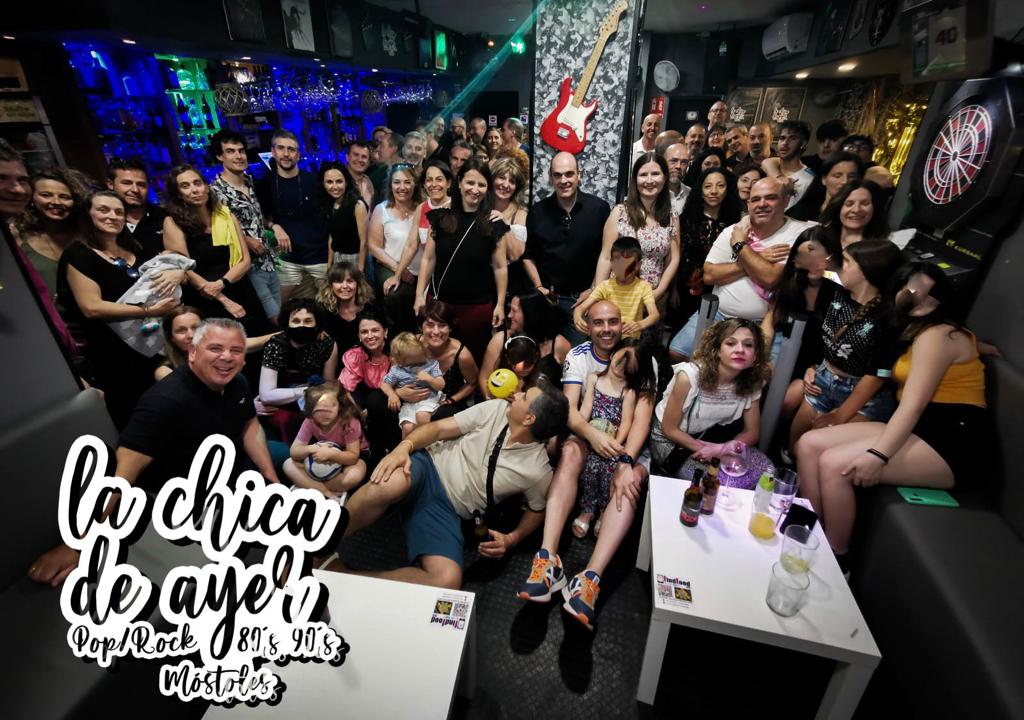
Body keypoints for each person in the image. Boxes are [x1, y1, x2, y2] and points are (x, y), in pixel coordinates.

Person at [28, 318, 281, 587]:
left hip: (231, 481)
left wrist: (271, 477)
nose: (227, 357)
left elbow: (250, 425)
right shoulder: (164, 402)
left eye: (236, 351)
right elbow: (122, 473)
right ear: (193, 352)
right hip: (184, 502)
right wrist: (78, 542)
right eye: (215, 348)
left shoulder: (238, 383)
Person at [794, 262, 990, 563]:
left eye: (929, 293)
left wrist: (878, 456)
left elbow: (913, 404)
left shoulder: (938, 335)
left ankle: (836, 559)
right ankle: (808, 534)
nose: (918, 297)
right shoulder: (914, 329)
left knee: (835, 465)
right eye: (912, 289)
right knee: (808, 443)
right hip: (919, 427)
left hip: (952, 438)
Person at [337, 381, 568, 589]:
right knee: (390, 483)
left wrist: (511, 539)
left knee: (448, 580)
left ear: (529, 419)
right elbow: (438, 429)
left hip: (447, 510)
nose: (516, 395)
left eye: (524, 397)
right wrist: (402, 449)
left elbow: (537, 509)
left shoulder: (538, 471)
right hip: (427, 468)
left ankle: (342, 577)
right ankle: (327, 540)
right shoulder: (496, 408)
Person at [517, 301, 654, 629]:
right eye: (599, 322)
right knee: (570, 453)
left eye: (613, 322)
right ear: (587, 326)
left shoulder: (640, 356)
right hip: (590, 430)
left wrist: (625, 459)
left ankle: (590, 578)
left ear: (622, 324)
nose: (607, 329)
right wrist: (594, 436)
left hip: (627, 443)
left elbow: (641, 418)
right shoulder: (580, 358)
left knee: (631, 480)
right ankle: (547, 560)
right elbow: (572, 411)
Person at [57, 190, 180, 427]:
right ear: (88, 214)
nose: (112, 216)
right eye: (103, 210)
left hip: (153, 343)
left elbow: (162, 271)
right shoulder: (78, 253)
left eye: (118, 212)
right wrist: (149, 311)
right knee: (139, 416)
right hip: (114, 354)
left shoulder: (134, 247)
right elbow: (91, 307)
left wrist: (177, 273)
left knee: (170, 408)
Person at [669, 177, 808, 361]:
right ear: (748, 204)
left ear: (786, 201)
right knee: (677, 352)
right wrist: (757, 258)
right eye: (756, 199)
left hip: (764, 322)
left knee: (764, 373)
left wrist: (740, 246)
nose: (762, 204)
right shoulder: (733, 231)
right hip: (719, 314)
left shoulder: (796, 233)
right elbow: (709, 275)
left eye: (770, 198)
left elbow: (770, 278)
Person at [788, 240, 906, 451]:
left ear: (866, 271)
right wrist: (814, 366)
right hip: (824, 379)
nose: (837, 264)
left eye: (847, 261)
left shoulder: (889, 317)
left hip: (863, 395)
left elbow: (877, 375)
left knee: (815, 444)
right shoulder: (835, 291)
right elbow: (823, 338)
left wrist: (841, 415)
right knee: (795, 442)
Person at [414, 159, 513, 362]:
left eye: (481, 185)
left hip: (476, 309)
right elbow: (428, 259)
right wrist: (418, 295)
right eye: (470, 183)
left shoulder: (493, 223)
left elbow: (500, 267)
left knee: (473, 361)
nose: (475, 190)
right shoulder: (440, 217)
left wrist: (500, 304)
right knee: (435, 361)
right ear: (459, 182)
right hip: (440, 305)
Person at [650, 319, 771, 477]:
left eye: (748, 345)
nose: (740, 350)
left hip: (712, 441)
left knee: (768, 472)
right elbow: (669, 429)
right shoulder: (690, 376)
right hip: (671, 442)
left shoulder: (752, 382)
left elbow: (752, 433)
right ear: (717, 350)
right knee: (715, 481)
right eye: (731, 343)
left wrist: (721, 449)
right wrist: (709, 450)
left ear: (755, 355)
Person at [523, 152, 611, 344]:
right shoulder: (537, 212)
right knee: (542, 354)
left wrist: (594, 289)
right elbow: (528, 256)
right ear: (551, 178)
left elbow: (606, 256)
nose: (563, 180)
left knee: (579, 355)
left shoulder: (599, 209)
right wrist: (539, 287)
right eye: (558, 175)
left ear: (579, 175)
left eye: (569, 174)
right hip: (546, 301)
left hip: (582, 301)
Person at [163, 165, 267, 327]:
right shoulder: (173, 223)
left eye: (197, 183)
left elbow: (245, 260)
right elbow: (185, 270)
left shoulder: (226, 215)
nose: (194, 190)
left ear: (206, 187)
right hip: (206, 297)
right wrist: (223, 299)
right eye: (185, 186)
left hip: (239, 287)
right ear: (178, 194)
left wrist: (221, 283)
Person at [572, 338, 653, 538]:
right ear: (613, 354)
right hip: (593, 436)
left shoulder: (628, 391)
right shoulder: (594, 378)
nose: (621, 368)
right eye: (620, 360)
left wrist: (616, 443)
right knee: (590, 468)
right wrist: (582, 430)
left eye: (628, 367)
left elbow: (626, 422)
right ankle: (587, 509)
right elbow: (586, 408)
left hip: (614, 442)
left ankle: (603, 510)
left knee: (610, 470)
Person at [209, 129, 280, 323]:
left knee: (279, 314)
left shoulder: (250, 182)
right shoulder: (215, 191)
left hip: (268, 260)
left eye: (241, 151)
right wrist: (246, 240)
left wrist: (273, 225)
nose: (238, 156)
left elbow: (256, 216)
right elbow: (217, 230)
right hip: (246, 267)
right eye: (230, 151)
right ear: (219, 156)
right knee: (273, 318)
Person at [594, 153, 680, 308]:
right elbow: (606, 257)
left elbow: (673, 258)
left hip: (652, 299)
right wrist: (599, 298)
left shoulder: (672, 217)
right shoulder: (620, 213)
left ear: (665, 178)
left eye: (655, 174)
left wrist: (659, 291)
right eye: (643, 175)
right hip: (617, 298)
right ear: (635, 179)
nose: (649, 180)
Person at [255, 129, 328, 304]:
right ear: (273, 152)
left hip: (320, 256)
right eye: (281, 148)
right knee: (279, 308)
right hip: (288, 259)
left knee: (329, 306)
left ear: (298, 154)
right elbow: (257, 215)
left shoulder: (315, 181)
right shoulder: (264, 184)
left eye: (291, 149)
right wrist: (274, 226)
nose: (286, 154)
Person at [258, 296, 339, 439]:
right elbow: (266, 394)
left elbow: (329, 383)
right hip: (281, 401)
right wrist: (304, 391)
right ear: (287, 323)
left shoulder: (326, 344)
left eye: (308, 321)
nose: (301, 325)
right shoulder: (275, 345)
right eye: (295, 321)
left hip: (315, 399)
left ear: (316, 324)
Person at [673, 167, 744, 326]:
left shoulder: (735, 224)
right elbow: (676, 257)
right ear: (700, 191)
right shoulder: (686, 220)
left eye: (720, 185)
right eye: (707, 186)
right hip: (687, 289)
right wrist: (673, 290)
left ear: (728, 190)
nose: (713, 191)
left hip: (721, 289)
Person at [387, 160, 451, 332]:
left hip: (448, 273)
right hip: (427, 271)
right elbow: (411, 245)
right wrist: (397, 275)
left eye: (439, 179)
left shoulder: (455, 207)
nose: (434, 184)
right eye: (429, 180)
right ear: (423, 184)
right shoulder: (422, 208)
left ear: (449, 183)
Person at [339, 308, 402, 467]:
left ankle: (393, 449)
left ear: (385, 332)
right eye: (364, 332)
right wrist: (358, 411)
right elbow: (345, 389)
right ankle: (372, 451)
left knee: (376, 399)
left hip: (395, 399)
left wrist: (374, 407)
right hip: (366, 402)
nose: (370, 336)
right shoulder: (356, 355)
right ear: (359, 335)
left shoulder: (397, 351)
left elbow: (407, 382)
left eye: (375, 330)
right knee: (357, 399)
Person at [284, 380, 367, 499]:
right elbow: (294, 452)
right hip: (319, 458)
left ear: (339, 405)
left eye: (332, 406)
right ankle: (327, 493)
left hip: (346, 459)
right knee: (288, 465)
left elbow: (353, 457)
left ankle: (311, 484)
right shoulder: (310, 421)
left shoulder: (349, 422)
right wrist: (313, 448)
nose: (325, 414)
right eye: (319, 409)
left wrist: (331, 454)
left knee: (355, 475)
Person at [11, 168, 85, 299]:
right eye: (46, 195)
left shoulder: (86, 233)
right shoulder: (17, 235)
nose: (56, 202)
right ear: (32, 198)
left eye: (64, 197)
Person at [479, 290, 571, 393]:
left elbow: (570, 385)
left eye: (514, 311)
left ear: (531, 314)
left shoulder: (560, 344)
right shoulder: (500, 340)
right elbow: (484, 379)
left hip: (543, 402)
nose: (509, 315)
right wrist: (495, 399)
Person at [368, 162, 419, 331]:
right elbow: (374, 246)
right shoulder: (381, 209)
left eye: (407, 182)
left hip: (422, 269)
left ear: (415, 184)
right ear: (390, 185)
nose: (402, 187)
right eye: (397, 182)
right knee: (396, 296)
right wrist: (399, 270)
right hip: (390, 266)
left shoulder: (422, 208)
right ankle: (400, 338)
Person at [575, 236, 658, 338]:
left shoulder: (644, 287)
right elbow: (580, 308)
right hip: (607, 337)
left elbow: (654, 314)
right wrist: (577, 317)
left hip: (630, 340)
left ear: (638, 265)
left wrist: (640, 324)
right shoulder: (605, 286)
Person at [419, 300, 479, 419]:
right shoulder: (412, 346)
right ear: (421, 327)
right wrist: (404, 392)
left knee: (439, 414)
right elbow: (397, 374)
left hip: (448, 405)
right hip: (416, 402)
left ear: (450, 328)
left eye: (442, 325)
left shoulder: (462, 354)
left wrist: (451, 400)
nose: (436, 331)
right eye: (430, 325)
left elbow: (473, 383)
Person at [380, 331, 445, 436]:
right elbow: (384, 384)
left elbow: (441, 384)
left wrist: (430, 379)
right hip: (409, 404)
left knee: (421, 416)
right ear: (399, 362)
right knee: (407, 427)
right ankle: (409, 446)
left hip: (429, 399)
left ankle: (428, 442)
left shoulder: (431, 364)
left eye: (421, 361)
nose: (418, 367)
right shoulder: (397, 370)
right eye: (413, 364)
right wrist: (392, 395)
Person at [106, 159, 167, 259]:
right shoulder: (105, 222)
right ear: (110, 184)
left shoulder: (165, 217)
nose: (135, 190)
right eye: (127, 183)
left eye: (141, 184)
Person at [490, 156, 530, 296]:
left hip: (511, 285)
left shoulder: (521, 214)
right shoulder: (481, 209)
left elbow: (515, 255)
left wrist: (504, 224)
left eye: (512, 181)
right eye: (501, 177)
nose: (506, 184)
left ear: (516, 187)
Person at [787, 151, 864, 223]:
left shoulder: (860, 214)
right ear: (824, 179)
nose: (845, 181)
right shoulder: (802, 211)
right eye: (837, 176)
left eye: (851, 176)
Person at [316, 261, 374, 355]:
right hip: (333, 359)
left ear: (358, 284)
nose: (345, 286)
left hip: (366, 358)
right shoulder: (321, 309)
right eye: (339, 281)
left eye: (350, 281)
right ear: (331, 285)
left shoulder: (371, 307)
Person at [819, 179, 891, 254]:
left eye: (865, 204)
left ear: (875, 208)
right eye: (849, 204)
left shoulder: (885, 249)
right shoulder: (819, 240)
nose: (856, 210)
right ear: (838, 208)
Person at [319, 161, 368, 271]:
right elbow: (332, 237)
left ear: (346, 182)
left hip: (355, 259)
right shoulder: (330, 204)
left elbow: (364, 242)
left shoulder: (357, 205)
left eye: (339, 181)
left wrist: (360, 271)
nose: (335, 186)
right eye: (329, 182)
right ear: (324, 184)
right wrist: (329, 265)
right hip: (337, 259)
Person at [760, 120, 816, 207]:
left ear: (803, 143)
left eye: (792, 138)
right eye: (782, 138)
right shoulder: (767, 167)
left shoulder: (808, 180)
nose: (785, 143)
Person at [370, 131, 402, 201]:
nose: (377, 149)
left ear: (394, 149)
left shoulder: (408, 173)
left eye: (381, 145)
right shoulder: (377, 174)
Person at [345, 140, 376, 208]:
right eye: (356, 155)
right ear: (347, 157)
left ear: (368, 162)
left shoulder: (368, 182)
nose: (360, 160)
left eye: (364, 156)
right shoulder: (339, 181)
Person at [664, 142, 691, 215]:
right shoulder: (652, 193)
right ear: (664, 162)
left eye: (684, 162)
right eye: (674, 161)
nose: (678, 166)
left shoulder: (691, 195)